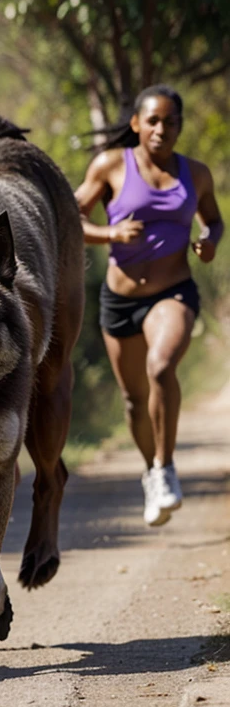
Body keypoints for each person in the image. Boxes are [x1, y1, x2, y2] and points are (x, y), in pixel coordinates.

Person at [74, 84, 224, 526]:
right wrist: (110, 235)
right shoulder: (110, 166)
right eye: (153, 120)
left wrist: (210, 241)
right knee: (134, 400)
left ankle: (166, 465)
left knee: (161, 367)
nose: (161, 129)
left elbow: (214, 220)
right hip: (120, 301)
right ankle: (151, 473)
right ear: (137, 124)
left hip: (172, 291)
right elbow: (73, 214)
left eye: (170, 121)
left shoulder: (195, 174)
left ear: (180, 125)